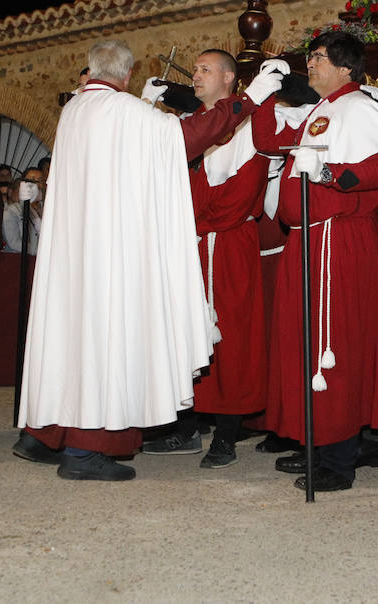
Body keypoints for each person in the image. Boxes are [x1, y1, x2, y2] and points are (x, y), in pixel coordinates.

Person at [14, 39, 285, 481]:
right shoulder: (125, 112)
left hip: (75, 250)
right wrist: (249, 99)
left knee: (71, 341)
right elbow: (189, 139)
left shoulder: (74, 110)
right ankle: (86, 452)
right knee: (107, 343)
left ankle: (43, 435)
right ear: (126, 74)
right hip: (112, 251)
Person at [250, 30, 378, 493]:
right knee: (303, 342)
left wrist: (335, 175)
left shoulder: (359, 108)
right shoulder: (321, 110)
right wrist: (261, 95)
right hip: (307, 238)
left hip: (338, 239)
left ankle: (338, 461)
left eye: (317, 58)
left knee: (335, 346)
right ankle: (318, 440)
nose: (309, 64)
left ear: (345, 67)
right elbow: (266, 141)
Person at [140, 48, 271, 469]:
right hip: (190, 244)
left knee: (231, 338)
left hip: (229, 245)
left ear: (230, 79)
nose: (195, 76)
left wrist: (194, 213)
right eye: (194, 69)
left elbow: (238, 198)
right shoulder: (186, 126)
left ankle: (228, 435)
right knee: (184, 334)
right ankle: (187, 426)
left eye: (205, 69)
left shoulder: (251, 127)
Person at [2, 168, 44, 255]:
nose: (36, 184)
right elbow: (14, 242)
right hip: (17, 260)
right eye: (32, 180)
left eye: (40, 180)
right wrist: (40, 252)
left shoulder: (48, 209)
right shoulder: (12, 211)